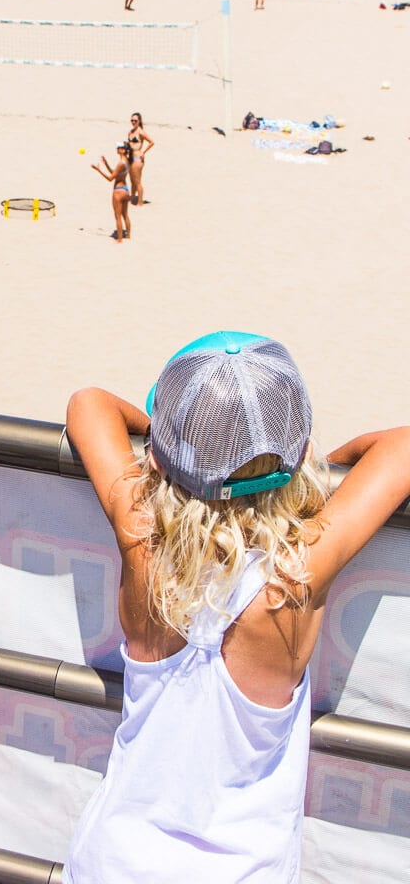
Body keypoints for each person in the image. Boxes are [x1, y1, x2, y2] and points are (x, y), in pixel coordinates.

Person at [61, 330, 410, 883]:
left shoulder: (140, 537)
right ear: (296, 456)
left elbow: (88, 403)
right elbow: (405, 446)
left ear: (161, 456)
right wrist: (331, 471)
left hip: (116, 859)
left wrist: (169, 438)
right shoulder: (295, 574)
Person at [91, 143, 132, 242]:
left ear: (123, 150)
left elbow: (110, 178)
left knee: (117, 216)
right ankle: (128, 235)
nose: (117, 148)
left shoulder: (121, 163)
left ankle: (120, 240)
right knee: (125, 214)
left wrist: (98, 170)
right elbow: (115, 173)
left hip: (118, 191)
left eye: (119, 147)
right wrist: (106, 164)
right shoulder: (126, 161)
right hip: (126, 190)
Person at [126, 112, 154, 204]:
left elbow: (151, 142)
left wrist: (143, 152)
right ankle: (133, 198)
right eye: (132, 120)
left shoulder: (141, 132)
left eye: (135, 120)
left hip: (138, 158)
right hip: (130, 157)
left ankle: (140, 202)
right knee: (132, 180)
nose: (133, 122)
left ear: (139, 121)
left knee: (137, 181)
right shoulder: (130, 132)